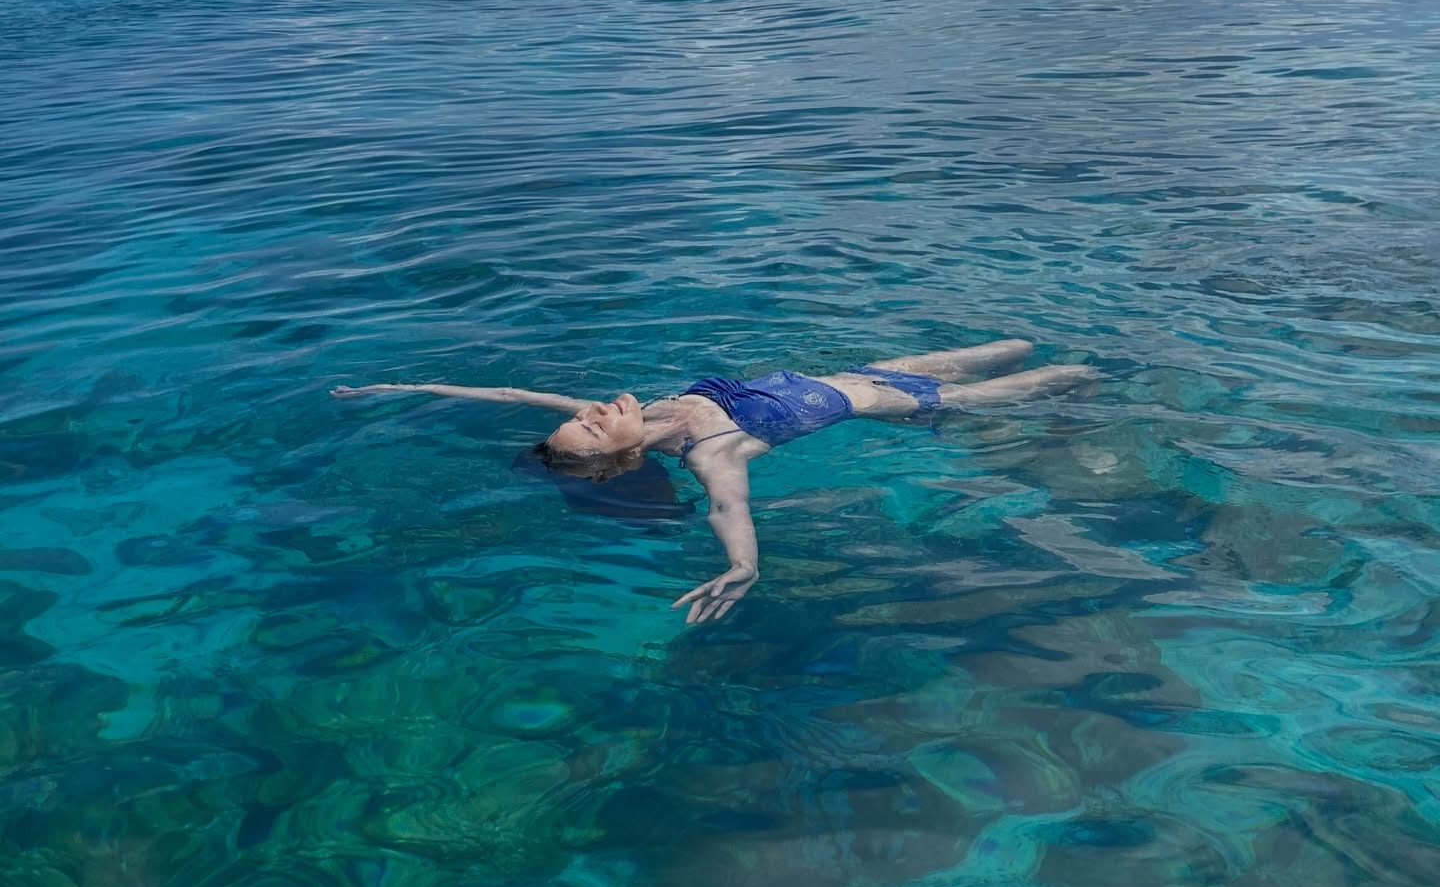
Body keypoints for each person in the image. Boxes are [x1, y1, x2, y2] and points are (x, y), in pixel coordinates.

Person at [332, 339, 1091, 625]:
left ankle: (1061, 387)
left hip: (860, 371)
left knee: (1015, 343)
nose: (594, 410)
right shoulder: (710, 454)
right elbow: (729, 511)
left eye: (588, 415)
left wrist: (401, 388)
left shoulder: (641, 414)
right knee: (1068, 374)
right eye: (595, 426)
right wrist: (743, 569)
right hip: (901, 402)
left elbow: (510, 398)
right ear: (621, 457)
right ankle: (1093, 398)